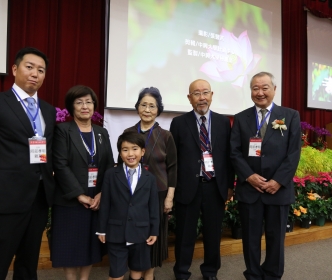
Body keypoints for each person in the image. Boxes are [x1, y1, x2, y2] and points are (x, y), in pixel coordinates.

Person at [0, 47, 56, 280]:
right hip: (4, 199)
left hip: (38, 199)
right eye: (29, 67)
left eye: (41, 70)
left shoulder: (47, 110)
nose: (35, 73)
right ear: (15, 69)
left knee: (28, 264)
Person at [230, 72, 301, 280]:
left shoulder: (290, 115)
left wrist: (278, 181)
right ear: (250, 91)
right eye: (255, 88)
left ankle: (272, 274)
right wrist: (249, 176)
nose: (260, 93)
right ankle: (252, 274)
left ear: (274, 89)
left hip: (277, 190)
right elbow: (233, 151)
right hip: (249, 188)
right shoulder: (241, 118)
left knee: (275, 237)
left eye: (264, 88)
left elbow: (294, 153)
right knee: (250, 238)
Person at [169, 79, 234, 280]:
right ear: (189, 98)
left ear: (212, 95)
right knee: (185, 235)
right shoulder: (179, 123)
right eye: (196, 93)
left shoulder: (224, 122)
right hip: (188, 187)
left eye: (205, 92)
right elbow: (173, 159)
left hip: (214, 186)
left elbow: (228, 156)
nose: (202, 97)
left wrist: (230, 185)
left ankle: (210, 272)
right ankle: (181, 272)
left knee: (213, 234)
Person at [51, 85, 115, 280]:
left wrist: (102, 193)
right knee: (69, 245)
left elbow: (109, 166)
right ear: (72, 107)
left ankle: (84, 278)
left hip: (95, 200)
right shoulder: (63, 130)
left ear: (94, 106)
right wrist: (79, 195)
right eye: (79, 102)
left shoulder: (101, 132)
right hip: (70, 200)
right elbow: (60, 165)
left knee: (90, 244)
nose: (85, 106)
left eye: (88, 102)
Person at [121, 87, 177, 280]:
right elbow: (120, 164)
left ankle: (149, 276)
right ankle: (134, 275)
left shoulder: (166, 136)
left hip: (158, 194)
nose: (147, 109)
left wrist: (169, 198)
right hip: (132, 195)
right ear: (137, 107)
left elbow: (173, 168)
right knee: (134, 237)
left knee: (154, 238)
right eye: (143, 105)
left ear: (158, 110)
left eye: (152, 106)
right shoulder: (128, 133)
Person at [98, 131, 159, 280]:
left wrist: (154, 231)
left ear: (143, 151)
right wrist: (101, 230)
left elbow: (153, 207)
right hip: (116, 232)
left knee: (137, 272)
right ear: (120, 152)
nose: (130, 154)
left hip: (141, 232)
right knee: (116, 273)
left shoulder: (149, 178)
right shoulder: (111, 174)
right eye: (125, 150)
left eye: (135, 149)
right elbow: (105, 203)